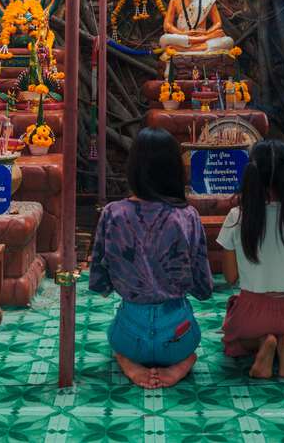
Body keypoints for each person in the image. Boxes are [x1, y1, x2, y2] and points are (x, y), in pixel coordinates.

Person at [89, 127, 213, 388]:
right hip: (179, 338)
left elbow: (99, 284)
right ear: (174, 170)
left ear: (133, 168)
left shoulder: (113, 214)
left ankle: (126, 360)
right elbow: (203, 288)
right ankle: (183, 362)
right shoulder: (187, 216)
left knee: (116, 339)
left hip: (129, 336)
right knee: (189, 343)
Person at [216, 140, 284, 379]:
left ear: (251, 176)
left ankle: (263, 342)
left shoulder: (236, 217)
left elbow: (231, 277)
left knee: (235, 335)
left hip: (252, 314)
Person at [160, 0, 235, 53]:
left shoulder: (208, 0)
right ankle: (200, 46)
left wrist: (206, 33)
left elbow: (218, 23)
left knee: (228, 41)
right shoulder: (175, 1)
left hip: (202, 35)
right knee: (164, 39)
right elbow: (167, 25)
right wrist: (183, 34)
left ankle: (186, 49)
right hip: (183, 37)